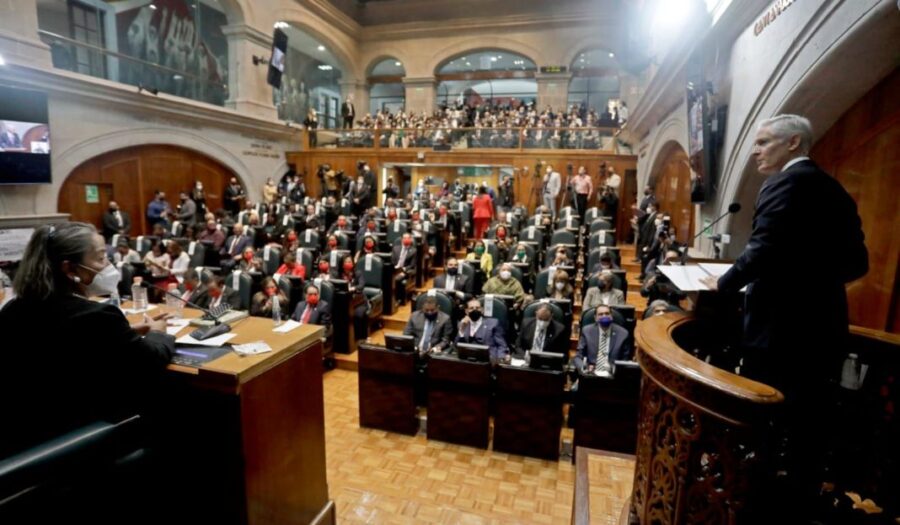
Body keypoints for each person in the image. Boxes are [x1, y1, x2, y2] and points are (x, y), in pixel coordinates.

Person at [699, 115, 867, 512]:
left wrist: (723, 284)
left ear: (793, 143)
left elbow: (762, 250)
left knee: (765, 426)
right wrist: (811, 282)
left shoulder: (785, 183)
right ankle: (795, 509)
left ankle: (754, 506)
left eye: (763, 142)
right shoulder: (835, 190)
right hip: (825, 331)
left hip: (779, 334)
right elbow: (857, 263)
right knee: (808, 432)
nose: (755, 151)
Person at [0, 223, 174, 457]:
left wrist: (126, 331)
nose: (108, 265)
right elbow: (151, 359)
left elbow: (64, 338)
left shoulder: (12, 309)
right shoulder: (98, 317)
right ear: (70, 268)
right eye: (100, 258)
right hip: (79, 438)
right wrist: (159, 332)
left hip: (23, 434)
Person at [574, 304, 633, 377]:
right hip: (590, 374)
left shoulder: (623, 334)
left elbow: (625, 362)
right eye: (600, 314)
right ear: (595, 318)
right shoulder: (587, 331)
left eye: (607, 313)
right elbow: (578, 356)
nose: (604, 316)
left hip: (613, 376)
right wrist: (585, 368)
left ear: (611, 316)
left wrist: (613, 369)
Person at [455, 298, 509, 362]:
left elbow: (501, 345)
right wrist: (462, 329)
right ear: (466, 311)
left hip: (488, 361)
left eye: (477, 308)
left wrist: (500, 359)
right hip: (467, 360)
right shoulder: (463, 323)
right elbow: (456, 345)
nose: (475, 310)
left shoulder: (493, 323)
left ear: (482, 310)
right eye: (471, 308)